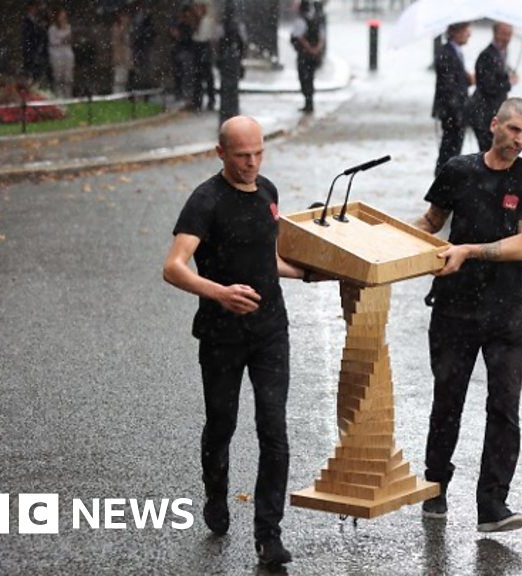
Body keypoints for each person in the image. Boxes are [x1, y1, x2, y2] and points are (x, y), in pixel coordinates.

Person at [162, 116, 315, 566]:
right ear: (221, 153)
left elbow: (267, 256)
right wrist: (220, 293)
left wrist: (310, 274)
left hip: (271, 331)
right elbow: (173, 266)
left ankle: (269, 535)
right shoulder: (205, 201)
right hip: (221, 335)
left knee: (274, 429)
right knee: (222, 424)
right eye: (242, 155)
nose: (251, 163)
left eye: (258, 153)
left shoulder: (267, 192)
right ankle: (216, 493)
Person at [413, 98, 522, 533]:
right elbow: (430, 222)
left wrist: (470, 251)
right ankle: (435, 484)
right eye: (513, 130)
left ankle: (492, 505)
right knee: (447, 400)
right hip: (454, 307)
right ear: (494, 125)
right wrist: (373, 242)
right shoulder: (459, 170)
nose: (519, 140)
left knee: (504, 408)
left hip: (506, 311)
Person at [467, 22, 517, 152]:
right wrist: (508, 82)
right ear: (496, 34)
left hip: (494, 113)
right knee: (488, 154)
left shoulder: (501, 53)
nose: (507, 38)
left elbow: (499, 75)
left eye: (510, 35)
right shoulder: (487, 55)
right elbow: (488, 86)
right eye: (504, 34)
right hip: (484, 114)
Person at [432, 22, 474, 176]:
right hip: (452, 112)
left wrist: (467, 79)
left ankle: (447, 176)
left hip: (456, 111)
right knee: (450, 148)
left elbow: (454, 80)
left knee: (452, 148)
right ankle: (444, 178)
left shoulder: (454, 52)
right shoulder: (447, 53)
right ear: (455, 32)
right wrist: (457, 113)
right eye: (466, 30)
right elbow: (448, 87)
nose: (469, 34)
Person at [291, 0, 326, 113]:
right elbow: (321, 36)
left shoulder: (301, 19)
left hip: (304, 56)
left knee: (305, 78)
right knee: (310, 78)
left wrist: (309, 49)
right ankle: (309, 102)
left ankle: (308, 103)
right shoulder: (315, 19)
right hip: (313, 56)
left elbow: (298, 37)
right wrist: (317, 49)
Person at [191, 0, 217, 111]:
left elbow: (207, 36)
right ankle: (198, 100)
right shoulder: (196, 20)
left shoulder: (208, 20)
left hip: (205, 48)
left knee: (208, 77)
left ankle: (210, 100)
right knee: (197, 77)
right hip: (198, 48)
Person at [48, 7, 75, 98]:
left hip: (67, 54)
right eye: (61, 15)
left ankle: (68, 95)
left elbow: (70, 40)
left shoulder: (68, 26)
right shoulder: (52, 28)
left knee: (68, 76)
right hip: (56, 54)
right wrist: (62, 40)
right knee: (58, 76)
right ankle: (58, 95)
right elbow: (52, 41)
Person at [21, 1, 48, 85]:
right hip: (31, 48)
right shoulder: (26, 20)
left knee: (37, 69)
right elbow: (29, 35)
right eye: (33, 8)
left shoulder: (36, 20)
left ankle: (34, 85)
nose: (35, 10)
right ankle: (30, 86)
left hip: (37, 49)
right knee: (30, 69)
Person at [110, 11, 133, 94]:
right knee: (119, 78)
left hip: (126, 56)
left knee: (124, 78)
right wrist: (118, 56)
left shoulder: (127, 29)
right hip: (120, 56)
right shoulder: (117, 28)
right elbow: (116, 43)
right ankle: (117, 95)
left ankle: (122, 95)